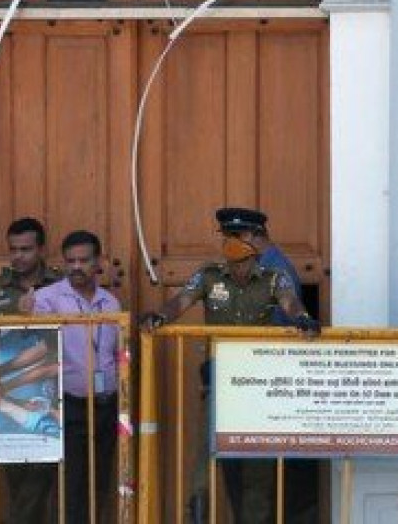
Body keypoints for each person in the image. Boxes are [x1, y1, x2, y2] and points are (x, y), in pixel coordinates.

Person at [141, 210, 319, 524]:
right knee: (205, 466)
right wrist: (160, 317)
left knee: (258, 473)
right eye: (227, 239)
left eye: (237, 241)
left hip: (259, 387)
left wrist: (302, 318)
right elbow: (181, 300)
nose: (231, 247)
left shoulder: (273, 278)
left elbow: (289, 301)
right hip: (222, 385)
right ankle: (196, 515)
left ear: (252, 249)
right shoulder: (209, 276)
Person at [32, 230, 123, 524]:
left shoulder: (110, 303)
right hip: (68, 404)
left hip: (106, 404)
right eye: (70, 260)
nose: (76, 267)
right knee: (72, 484)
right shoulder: (47, 299)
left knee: (100, 481)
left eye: (83, 260)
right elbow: (38, 342)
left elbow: (115, 352)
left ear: (99, 262)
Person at [0, 217, 63, 523]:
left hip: (52, 388)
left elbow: (57, 342)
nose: (18, 256)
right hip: (8, 390)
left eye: (26, 249)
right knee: (16, 469)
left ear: (42, 249)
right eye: (13, 249)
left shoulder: (60, 285)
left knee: (43, 470)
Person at [215, 207, 305, 325]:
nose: (227, 242)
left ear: (248, 235)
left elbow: (277, 325)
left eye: (231, 237)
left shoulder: (276, 270)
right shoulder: (253, 263)